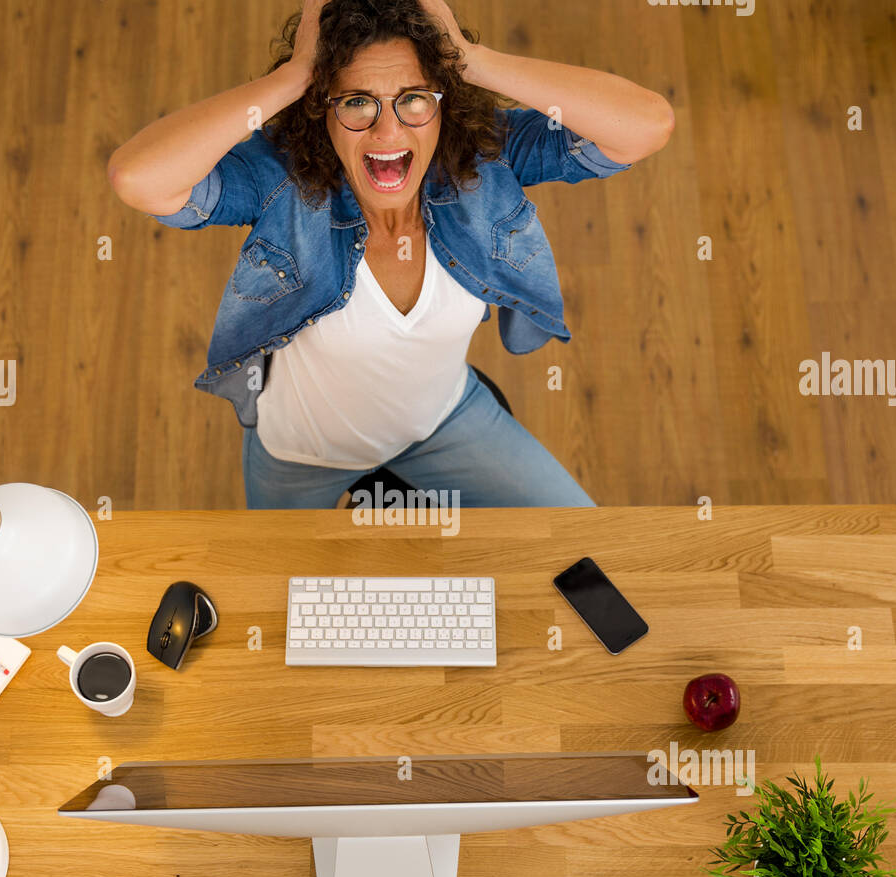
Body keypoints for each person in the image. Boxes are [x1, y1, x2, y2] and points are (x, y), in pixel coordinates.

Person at [108, 0, 674, 508]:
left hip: (445, 422)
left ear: (443, 102)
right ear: (320, 110)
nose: (387, 131)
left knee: (582, 541)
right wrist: (295, 76)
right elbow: (140, 179)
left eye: (413, 99)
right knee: (292, 602)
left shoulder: (486, 158)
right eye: (356, 102)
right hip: (301, 457)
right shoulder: (280, 182)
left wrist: (468, 59)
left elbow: (646, 126)